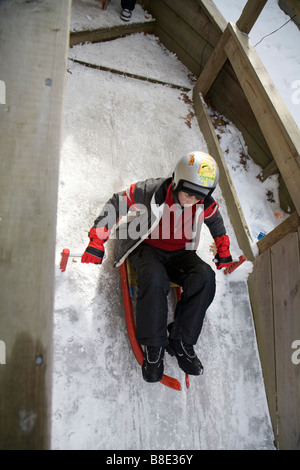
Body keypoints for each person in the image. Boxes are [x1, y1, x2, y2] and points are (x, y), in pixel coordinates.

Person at [81, 152, 233, 383]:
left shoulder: (205, 202)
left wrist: (223, 248)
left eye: (198, 197)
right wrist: (97, 240)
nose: (191, 200)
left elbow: (216, 222)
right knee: (154, 279)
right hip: (146, 245)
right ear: (177, 181)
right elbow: (116, 203)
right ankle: (154, 346)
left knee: (204, 277)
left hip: (180, 253)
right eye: (188, 193)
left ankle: (181, 340)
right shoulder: (152, 190)